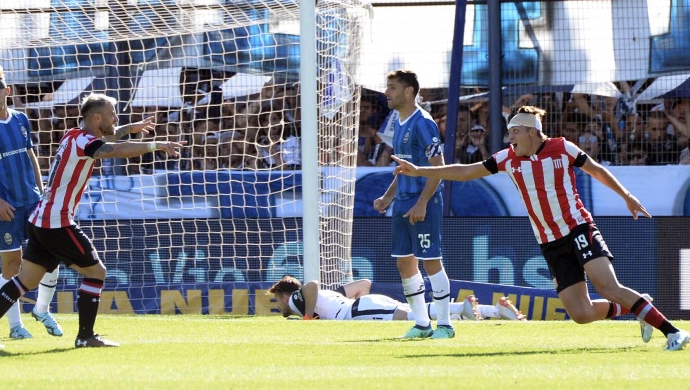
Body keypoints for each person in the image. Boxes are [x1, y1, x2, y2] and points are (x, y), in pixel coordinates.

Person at [391, 105, 690, 351]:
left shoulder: (562, 148)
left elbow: (597, 171)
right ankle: (639, 307)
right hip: (550, 243)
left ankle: (673, 332)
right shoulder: (507, 158)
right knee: (582, 314)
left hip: (578, 228)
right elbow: (465, 171)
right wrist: (420, 170)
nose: (510, 139)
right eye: (509, 133)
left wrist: (627, 197)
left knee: (607, 287)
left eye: (515, 132)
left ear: (533, 131)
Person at [0, 93, 184, 348]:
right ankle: (85, 336)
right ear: (96, 117)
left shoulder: (75, 135)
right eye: (112, 114)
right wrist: (155, 145)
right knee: (97, 272)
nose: (115, 118)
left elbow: (106, 139)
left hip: (41, 219)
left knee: (25, 280)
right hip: (56, 222)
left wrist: (130, 129)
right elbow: (111, 149)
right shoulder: (85, 141)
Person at [0, 66, 62, 340]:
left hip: (33, 202)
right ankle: (15, 326)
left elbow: (32, 157)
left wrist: (42, 193)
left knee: (51, 259)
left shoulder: (21, 119)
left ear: (7, 91)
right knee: (12, 266)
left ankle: (42, 310)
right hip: (5, 208)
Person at [372, 69, 453, 339]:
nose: (386, 92)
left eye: (392, 88)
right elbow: (404, 169)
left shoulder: (422, 123)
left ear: (409, 92)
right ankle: (421, 324)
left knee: (431, 262)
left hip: (423, 203)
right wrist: (388, 196)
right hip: (403, 203)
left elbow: (438, 168)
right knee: (405, 263)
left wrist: (422, 203)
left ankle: (445, 325)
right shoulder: (399, 121)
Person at [268, 276, 527, 323]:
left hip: (359, 312)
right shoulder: (331, 294)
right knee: (418, 313)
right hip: (366, 305)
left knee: (417, 316)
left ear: (285, 294)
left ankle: (462, 307)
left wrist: (306, 315)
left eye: (276, 300)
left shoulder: (296, 300)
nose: (277, 306)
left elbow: (311, 285)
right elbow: (363, 284)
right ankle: (495, 310)